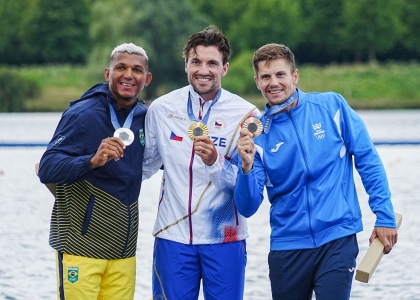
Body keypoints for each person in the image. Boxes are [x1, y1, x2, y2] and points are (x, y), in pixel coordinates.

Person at [234, 43, 398, 300]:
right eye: (266, 77)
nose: (273, 82)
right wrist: (245, 167)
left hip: (337, 238)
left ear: (295, 76)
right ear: (257, 82)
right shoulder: (256, 136)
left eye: (280, 74)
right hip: (287, 247)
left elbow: (368, 160)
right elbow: (247, 207)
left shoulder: (332, 106)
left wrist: (384, 216)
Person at [142, 26, 260, 299]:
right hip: (173, 236)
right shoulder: (161, 108)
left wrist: (215, 162)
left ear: (225, 68)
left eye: (212, 63)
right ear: (186, 65)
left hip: (225, 238)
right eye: (196, 62)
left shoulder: (246, 115)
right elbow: (143, 168)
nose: (203, 70)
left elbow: (247, 190)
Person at [38, 43, 152, 300]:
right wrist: (91, 161)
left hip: (123, 253)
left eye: (137, 70)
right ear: (107, 73)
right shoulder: (83, 114)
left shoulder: (145, 117)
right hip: (80, 248)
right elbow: (47, 168)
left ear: (147, 78)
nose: (128, 75)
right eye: (120, 67)